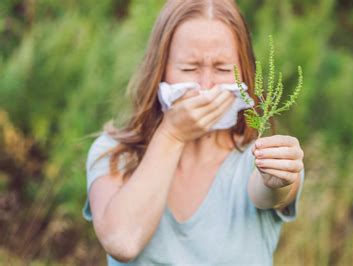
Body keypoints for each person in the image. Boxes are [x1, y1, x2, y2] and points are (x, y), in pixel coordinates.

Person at [81, 0, 305, 264]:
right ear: (160, 69)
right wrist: (172, 135)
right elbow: (122, 242)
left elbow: (268, 191)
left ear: (244, 73)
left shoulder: (256, 158)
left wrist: (277, 179)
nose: (206, 86)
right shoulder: (114, 153)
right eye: (189, 68)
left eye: (222, 69)